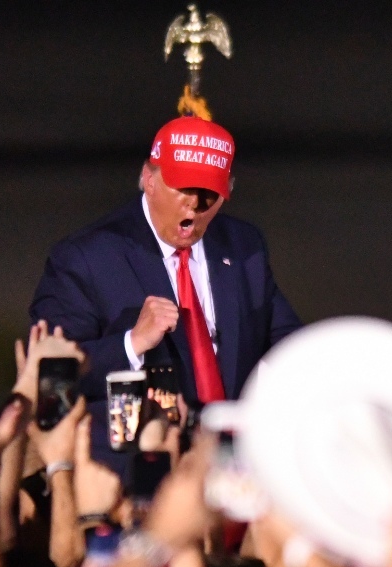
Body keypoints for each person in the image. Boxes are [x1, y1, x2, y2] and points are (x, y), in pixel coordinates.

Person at [29, 115, 302, 469]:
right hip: (139, 473)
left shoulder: (243, 246)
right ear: (148, 178)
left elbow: (288, 342)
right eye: (182, 188)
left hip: (236, 469)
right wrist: (131, 344)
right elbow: (51, 382)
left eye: (209, 194)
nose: (194, 204)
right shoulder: (85, 258)